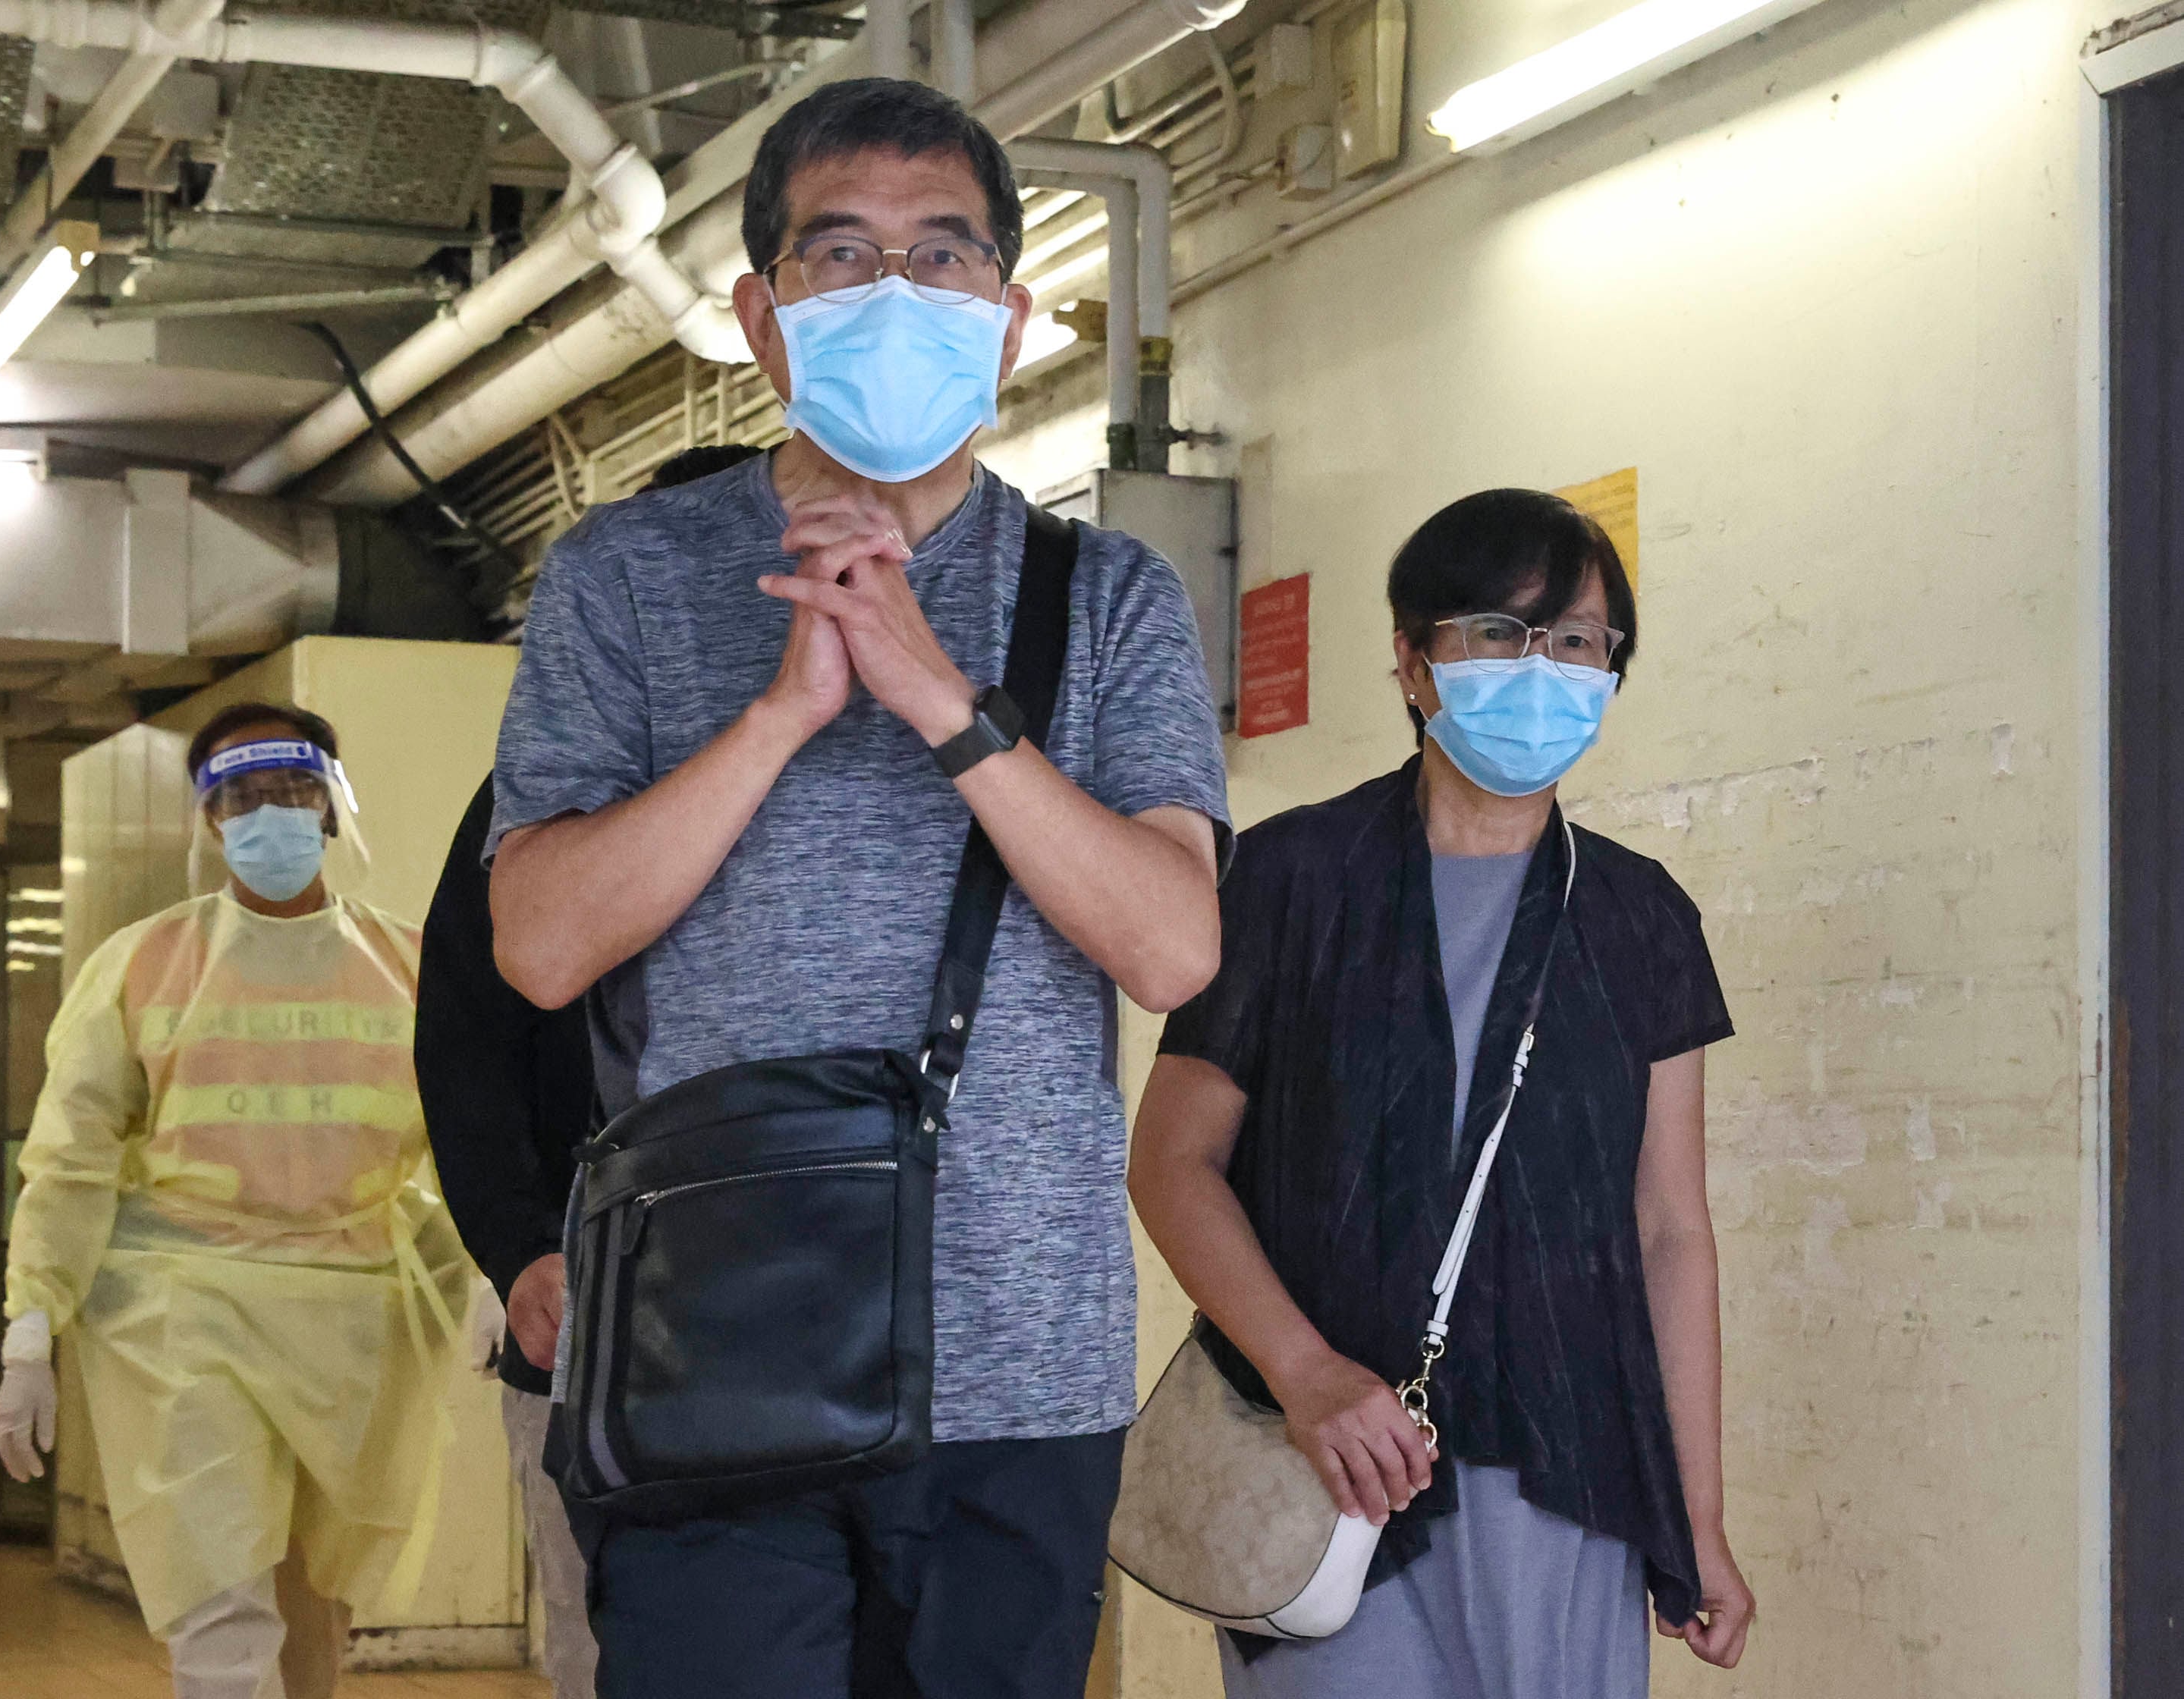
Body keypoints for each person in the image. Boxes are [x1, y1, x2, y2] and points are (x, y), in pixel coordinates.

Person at [483, 76, 1233, 1699]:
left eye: (943, 257)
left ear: (1012, 315)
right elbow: (538, 946)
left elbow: (1171, 945)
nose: (898, 294)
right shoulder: (621, 577)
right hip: (711, 1340)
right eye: (842, 256)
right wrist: (776, 719)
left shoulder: (1104, 597)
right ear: (760, 316)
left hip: (1020, 1363)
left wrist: (942, 704)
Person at [1130, 489, 1757, 1698]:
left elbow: (1671, 1228)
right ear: (1415, 665)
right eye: (1498, 633)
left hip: (1567, 1473)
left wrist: (1700, 1518)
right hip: (1326, 1472)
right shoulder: (1290, 880)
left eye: (1577, 641)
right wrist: (1306, 1373)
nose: (1543, 668)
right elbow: (1173, 1162)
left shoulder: (1639, 918)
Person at [0, 702, 480, 1699]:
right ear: (209, 821)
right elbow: (73, 1151)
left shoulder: (417, 970)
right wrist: (31, 1321)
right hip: (185, 1311)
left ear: (335, 808)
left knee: (318, 1598)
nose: (270, 817)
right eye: (242, 798)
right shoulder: (140, 966)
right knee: (218, 1593)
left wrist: (493, 1275)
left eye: (293, 793)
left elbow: (474, 1146)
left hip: (360, 1323)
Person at [416, 441, 764, 1699]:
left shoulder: (872, 784)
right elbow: (465, 1047)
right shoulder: (527, 811)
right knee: (607, 1645)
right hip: (595, 1315)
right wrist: (517, 1250)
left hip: (834, 1314)